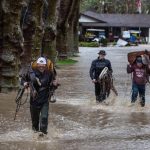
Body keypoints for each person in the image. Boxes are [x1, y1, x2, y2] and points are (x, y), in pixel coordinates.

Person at [22, 57, 58, 136]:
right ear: (37, 65)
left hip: (45, 100)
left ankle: (43, 135)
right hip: (34, 100)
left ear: (45, 65)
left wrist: (55, 85)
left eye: (43, 65)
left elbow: (53, 85)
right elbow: (23, 79)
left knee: (44, 118)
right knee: (35, 121)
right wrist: (24, 83)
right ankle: (35, 135)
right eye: (40, 65)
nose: (41, 66)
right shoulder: (31, 73)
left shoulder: (49, 73)